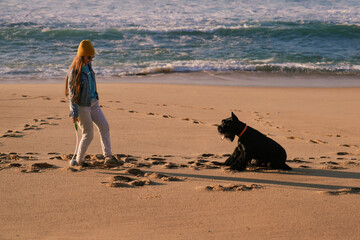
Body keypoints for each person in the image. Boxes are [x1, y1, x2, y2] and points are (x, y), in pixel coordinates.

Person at [65, 40, 117, 166]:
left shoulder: (88, 66)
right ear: (82, 55)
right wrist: (74, 113)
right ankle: (79, 160)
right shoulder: (74, 72)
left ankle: (108, 157)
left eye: (92, 57)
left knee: (104, 126)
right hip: (83, 107)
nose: (91, 60)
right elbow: (72, 95)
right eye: (89, 57)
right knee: (88, 134)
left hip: (94, 103)